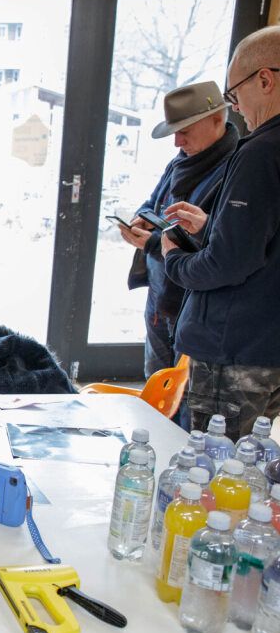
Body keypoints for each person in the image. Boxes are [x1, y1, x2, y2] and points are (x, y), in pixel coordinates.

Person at [161, 26, 280, 441]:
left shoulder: (260, 151)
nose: (237, 107)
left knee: (208, 472)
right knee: (247, 465)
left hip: (235, 348)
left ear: (264, 80)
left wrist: (174, 256)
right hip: (269, 345)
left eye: (234, 94)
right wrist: (214, 225)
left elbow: (228, 263)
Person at [118, 81, 238, 383]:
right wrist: (141, 220)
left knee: (184, 394)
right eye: (175, 132)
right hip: (162, 294)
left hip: (195, 305)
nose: (177, 141)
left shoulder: (238, 172)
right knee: (156, 384)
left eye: (185, 131)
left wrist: (154, 244)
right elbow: (153, 201)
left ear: (217, 119)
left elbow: (222, 245)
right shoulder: (181, 162)